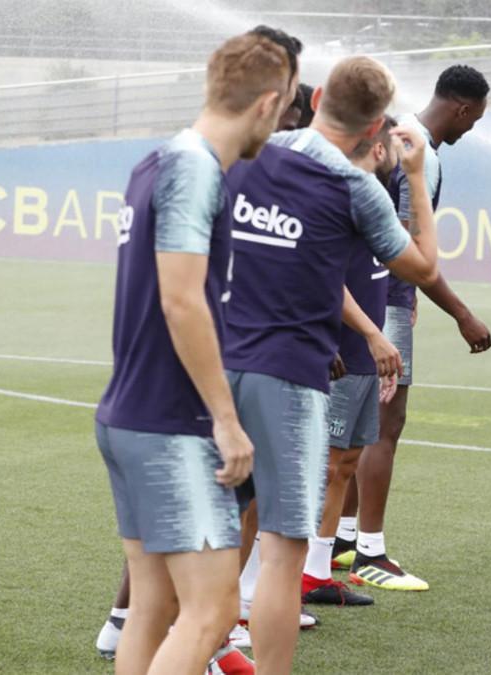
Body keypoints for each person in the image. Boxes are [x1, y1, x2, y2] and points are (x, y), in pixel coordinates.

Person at [222, 55, 439, 674]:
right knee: (284, 554)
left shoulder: (255, 151)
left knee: (217, 530)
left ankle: (198, 648)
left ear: (315, 103)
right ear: (376, 131)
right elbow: (423, 268)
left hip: (222, 363)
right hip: (291, 377)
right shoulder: (358, 187)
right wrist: (417, 176)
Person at [93, 31, 292, 675]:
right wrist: (226, 420)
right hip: (172, 427)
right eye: (287, 105)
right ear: (266, 103)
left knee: (151, 607)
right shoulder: (195, 168)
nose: (287, 119)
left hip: (128, 416)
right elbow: (182, 302)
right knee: (210, 609)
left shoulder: (155, 161)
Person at [339, 64, 491, 592]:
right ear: (463, 109)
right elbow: (404, 250)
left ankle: (341, 538)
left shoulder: (402, 138)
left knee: (363, 422)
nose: (473, 130)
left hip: (381, 296)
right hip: (383, 299)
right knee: (386, 420)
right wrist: (463, 314)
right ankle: (370, 551)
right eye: (475, 120)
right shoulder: (414, 152)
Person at [299, 115, 402, 607]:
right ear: (378, 149)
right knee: (324, 465)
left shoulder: (376, 201)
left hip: (364, 356)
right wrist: (368, 336)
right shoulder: (346, 199)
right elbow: (326, 279)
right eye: (397, 143)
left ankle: (316, 572)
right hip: (342, 354)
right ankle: (292, 573)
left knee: (346, 463)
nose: (406, 151)